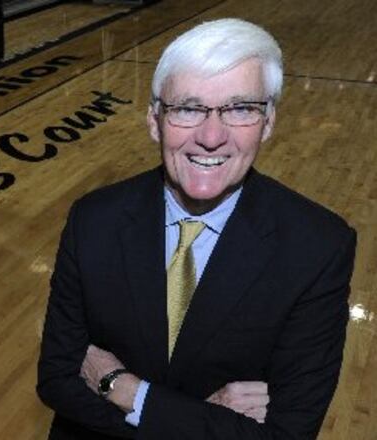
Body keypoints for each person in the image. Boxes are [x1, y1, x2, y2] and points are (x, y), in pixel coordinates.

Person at [36, 18, 357, 439]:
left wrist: (128, 391)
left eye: (240, 108)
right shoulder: (93, 219)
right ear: (154, 119)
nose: (211, 136)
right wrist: (202, 421)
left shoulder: (319, 247)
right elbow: (57, 379)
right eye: (188, 108)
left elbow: (288, 433)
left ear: (269, 121)